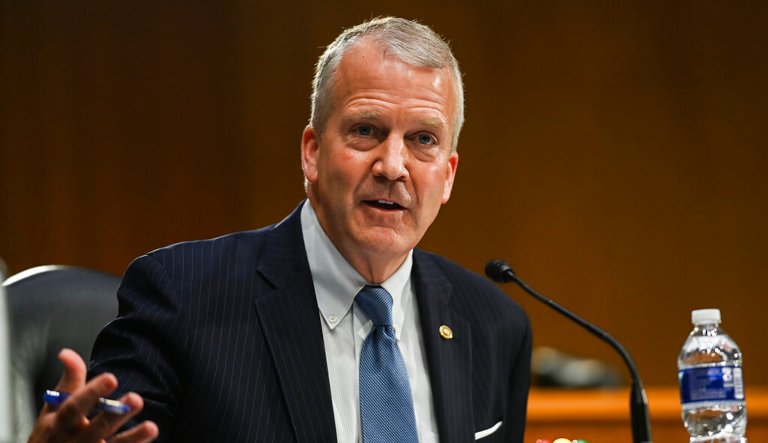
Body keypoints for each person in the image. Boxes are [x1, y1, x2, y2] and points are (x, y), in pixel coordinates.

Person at [29, 17, 531, 442]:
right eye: (365, 130)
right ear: (311, 152)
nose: (392, 165)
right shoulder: (180, 295)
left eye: (423, 140)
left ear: (447, 175)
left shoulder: (493, 327)